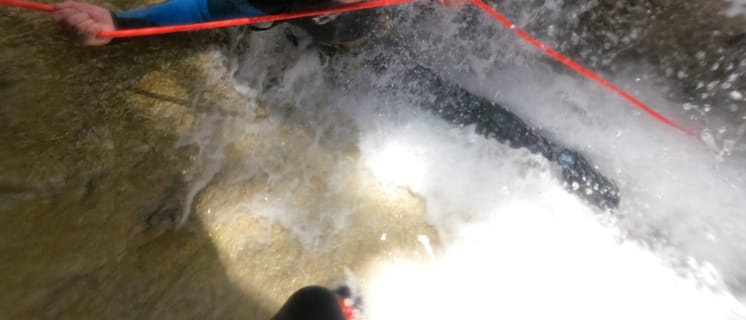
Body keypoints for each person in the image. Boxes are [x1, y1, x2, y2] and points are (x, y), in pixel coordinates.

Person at [51, 0, 620, 209]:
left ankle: (556, 156)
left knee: (458, 96)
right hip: (353, 50)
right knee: (437, 93)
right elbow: (203, 10)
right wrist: (119, 23)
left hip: (383, 33)